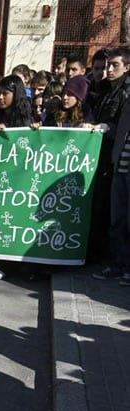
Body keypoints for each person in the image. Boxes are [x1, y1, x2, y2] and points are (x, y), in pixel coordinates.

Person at [93, 95, 130, 285]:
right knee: (117, 221)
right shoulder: (127, 103)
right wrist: (106, 128)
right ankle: (117, 265)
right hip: (120, 170)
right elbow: (120, 131)